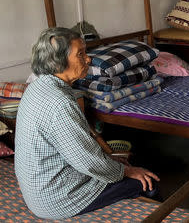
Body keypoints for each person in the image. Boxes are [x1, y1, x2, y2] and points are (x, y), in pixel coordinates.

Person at [15, 28, 160, 220]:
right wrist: (127, 171)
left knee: (123, 165)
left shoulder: (36, 87)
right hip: (57, 199)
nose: (88, 59)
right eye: (80, 54)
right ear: (59, 61)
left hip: (39, 191)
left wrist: (115, 165)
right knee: (147, 182)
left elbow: (77, 150)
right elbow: (89, 162)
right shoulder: (59, 103)